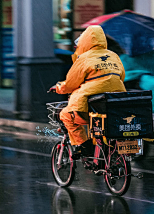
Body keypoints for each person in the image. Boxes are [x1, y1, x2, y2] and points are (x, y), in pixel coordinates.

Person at [53, 25, 126, 159]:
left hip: (90, 106)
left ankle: (85, 147)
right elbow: (122, 76)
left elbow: (70, 83)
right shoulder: (113, 55)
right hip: (116, 103)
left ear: (85, 41)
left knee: (65, 115)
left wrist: (58, 87)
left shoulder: (84, 58)